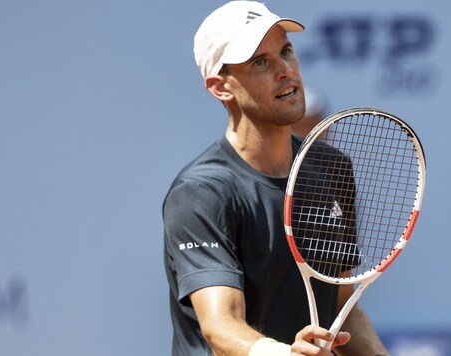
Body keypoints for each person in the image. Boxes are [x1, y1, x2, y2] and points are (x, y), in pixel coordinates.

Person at [162, 2, 389, 355]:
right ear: (221, 87)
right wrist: (285, 353)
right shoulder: (201, 193)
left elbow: (341, 306)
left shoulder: (332, 168)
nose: (285, 70)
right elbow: (220, 325)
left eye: (286, 51)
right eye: (260, 62)